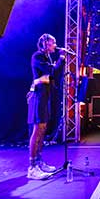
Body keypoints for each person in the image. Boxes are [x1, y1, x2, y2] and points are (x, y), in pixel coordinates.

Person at [26, 34, 63, 179]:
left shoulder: (47, 58)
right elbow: (51, 73)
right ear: (46, 43)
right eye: (53, 42)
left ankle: (39, 161)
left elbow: (51, 77)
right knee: (37, 130)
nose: (55, 45)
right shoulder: (37, 56)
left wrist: (47, 77)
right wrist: (61, 58)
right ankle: (32, 167)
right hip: (38, 98)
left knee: (42, 129)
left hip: (44, 97)